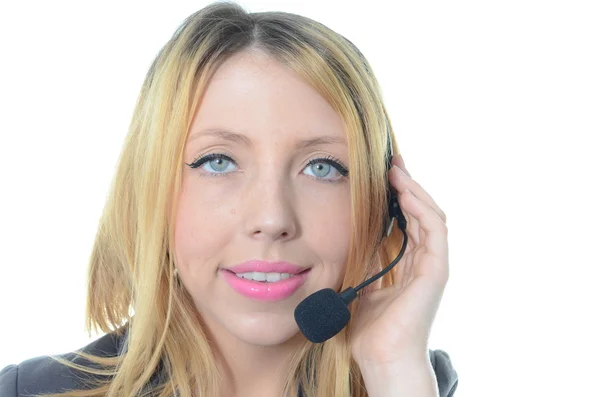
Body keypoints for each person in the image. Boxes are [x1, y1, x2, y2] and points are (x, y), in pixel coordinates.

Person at [0, 2, 458, 396]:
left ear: (387, 204)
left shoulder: (407, 378)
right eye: (218, 161)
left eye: (322, 167)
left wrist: (392, 370)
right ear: (149, 190)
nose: (272, 217)